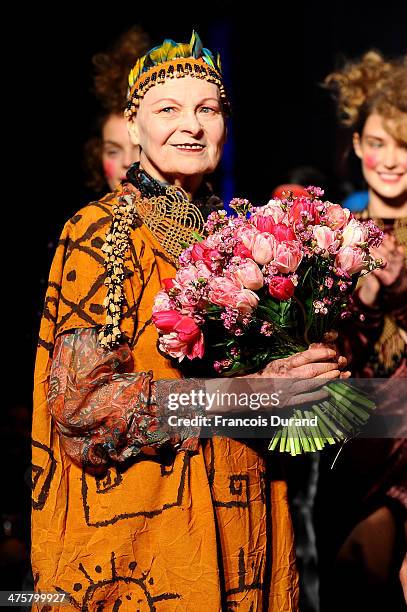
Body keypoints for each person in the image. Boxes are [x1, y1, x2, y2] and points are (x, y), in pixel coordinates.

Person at [32, 32, 348, 611]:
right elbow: (82, 405)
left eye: (208, 109)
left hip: (241, 533)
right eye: (168, 109)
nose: (192, 125)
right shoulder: (105, 232)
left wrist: (306, 380)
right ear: (132, 126)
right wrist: (248, 395)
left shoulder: (235, 238)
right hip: (143, 548)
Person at [315, 50, 407, 612]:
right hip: (359, 453)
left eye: (405, 144)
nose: (391, 160)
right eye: (377, 143)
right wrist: (364, 302)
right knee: (356, 584)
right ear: (356, 146)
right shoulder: (328, 235)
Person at [83, 26, 150, 194]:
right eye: (113, 151)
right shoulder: (86, 220)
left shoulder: (204, 216)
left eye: (139, 148)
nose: (127, 161)